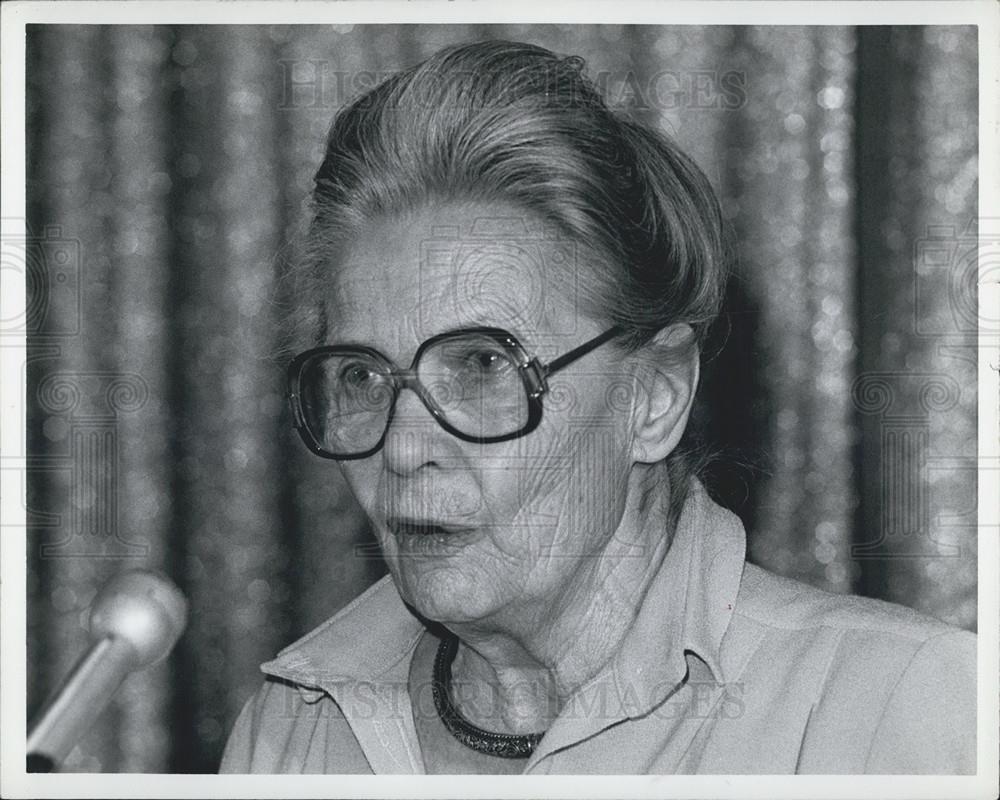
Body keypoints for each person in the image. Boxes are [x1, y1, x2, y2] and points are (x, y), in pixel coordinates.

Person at [220, 40, 976, 775]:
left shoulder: (901, 709)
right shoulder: (293, 730)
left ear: (654, 396)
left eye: (483, 364)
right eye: (361, 375)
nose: (402, 448)